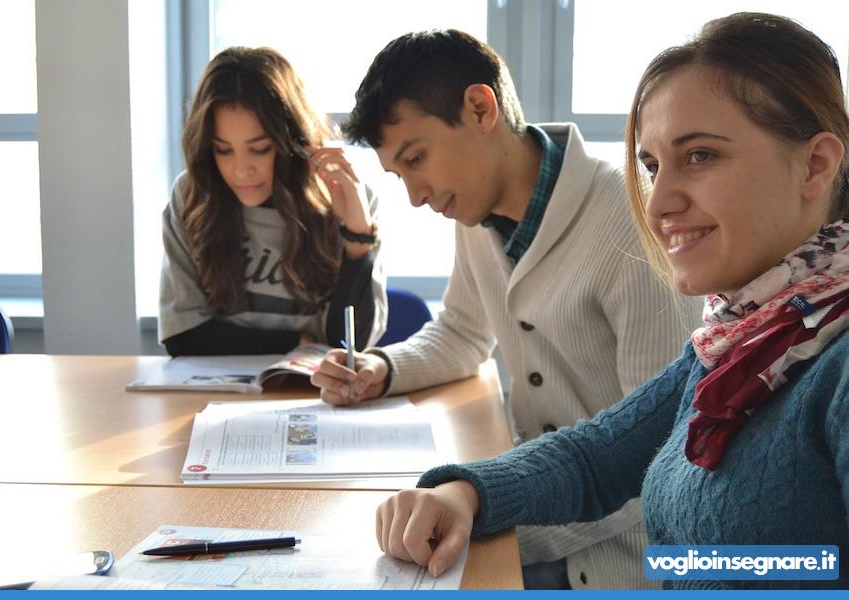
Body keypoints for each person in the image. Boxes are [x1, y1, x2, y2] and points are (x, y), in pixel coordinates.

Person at [372, 13, 849, 590]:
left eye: (700, 155)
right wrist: (465, 492)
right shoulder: (745, 334)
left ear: (817, 165)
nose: (657, 204)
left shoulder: (831, 363)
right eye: (651, 166)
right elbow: (597, 454)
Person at [310, 30, 699, 589]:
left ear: (479, 107)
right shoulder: (475, 213)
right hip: (534, 509)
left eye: (417, 159)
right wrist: (383, 368)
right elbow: (462, 334)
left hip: (618, 560)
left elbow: (654, 461)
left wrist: (492, 524)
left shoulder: (629, 221)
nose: (415, 195)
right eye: (400, 175)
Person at [159, 47, 387, 356]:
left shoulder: (343, 199)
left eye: (261, 149)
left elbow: (349, 345)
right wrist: (297, 344)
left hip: (314, 395)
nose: (241, 170)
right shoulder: (192, 197)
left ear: (291, 143)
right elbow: (183, 336)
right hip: (214, 394)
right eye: (223, 150)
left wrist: (358, 237)